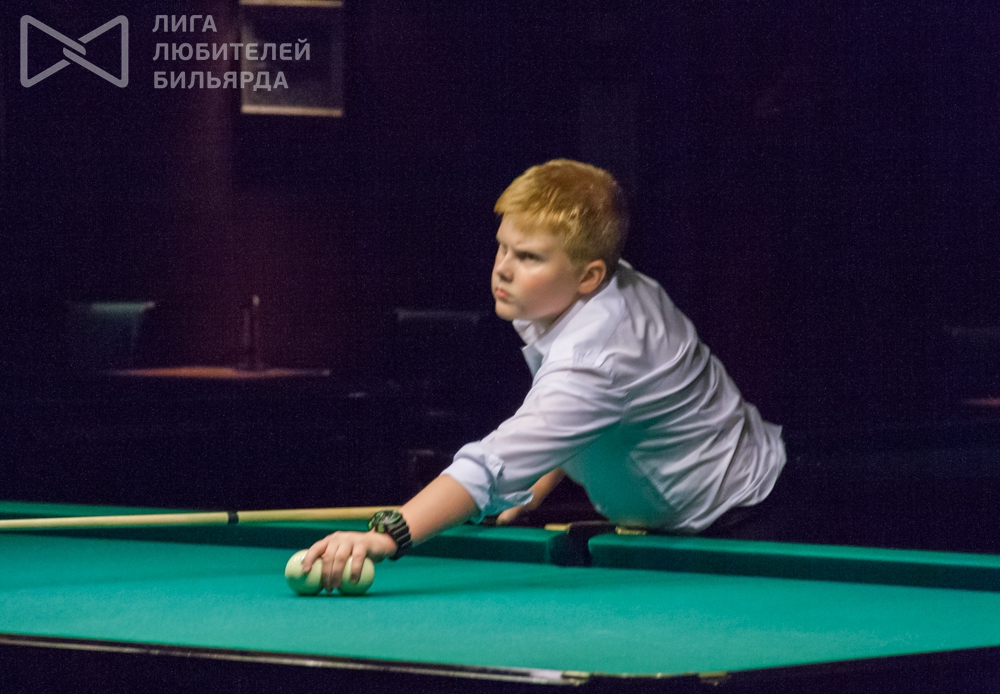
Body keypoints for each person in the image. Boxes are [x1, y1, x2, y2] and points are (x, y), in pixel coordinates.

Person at [304, 159, 786, 590]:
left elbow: (493, 463)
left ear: (589, 276)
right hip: (691, 512)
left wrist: (388, 534)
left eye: (529, 257)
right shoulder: (578, 289)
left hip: (737, 523)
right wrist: (538, 477)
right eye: (503, 247)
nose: (503, 269)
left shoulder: (598, 353)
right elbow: (587, 412)